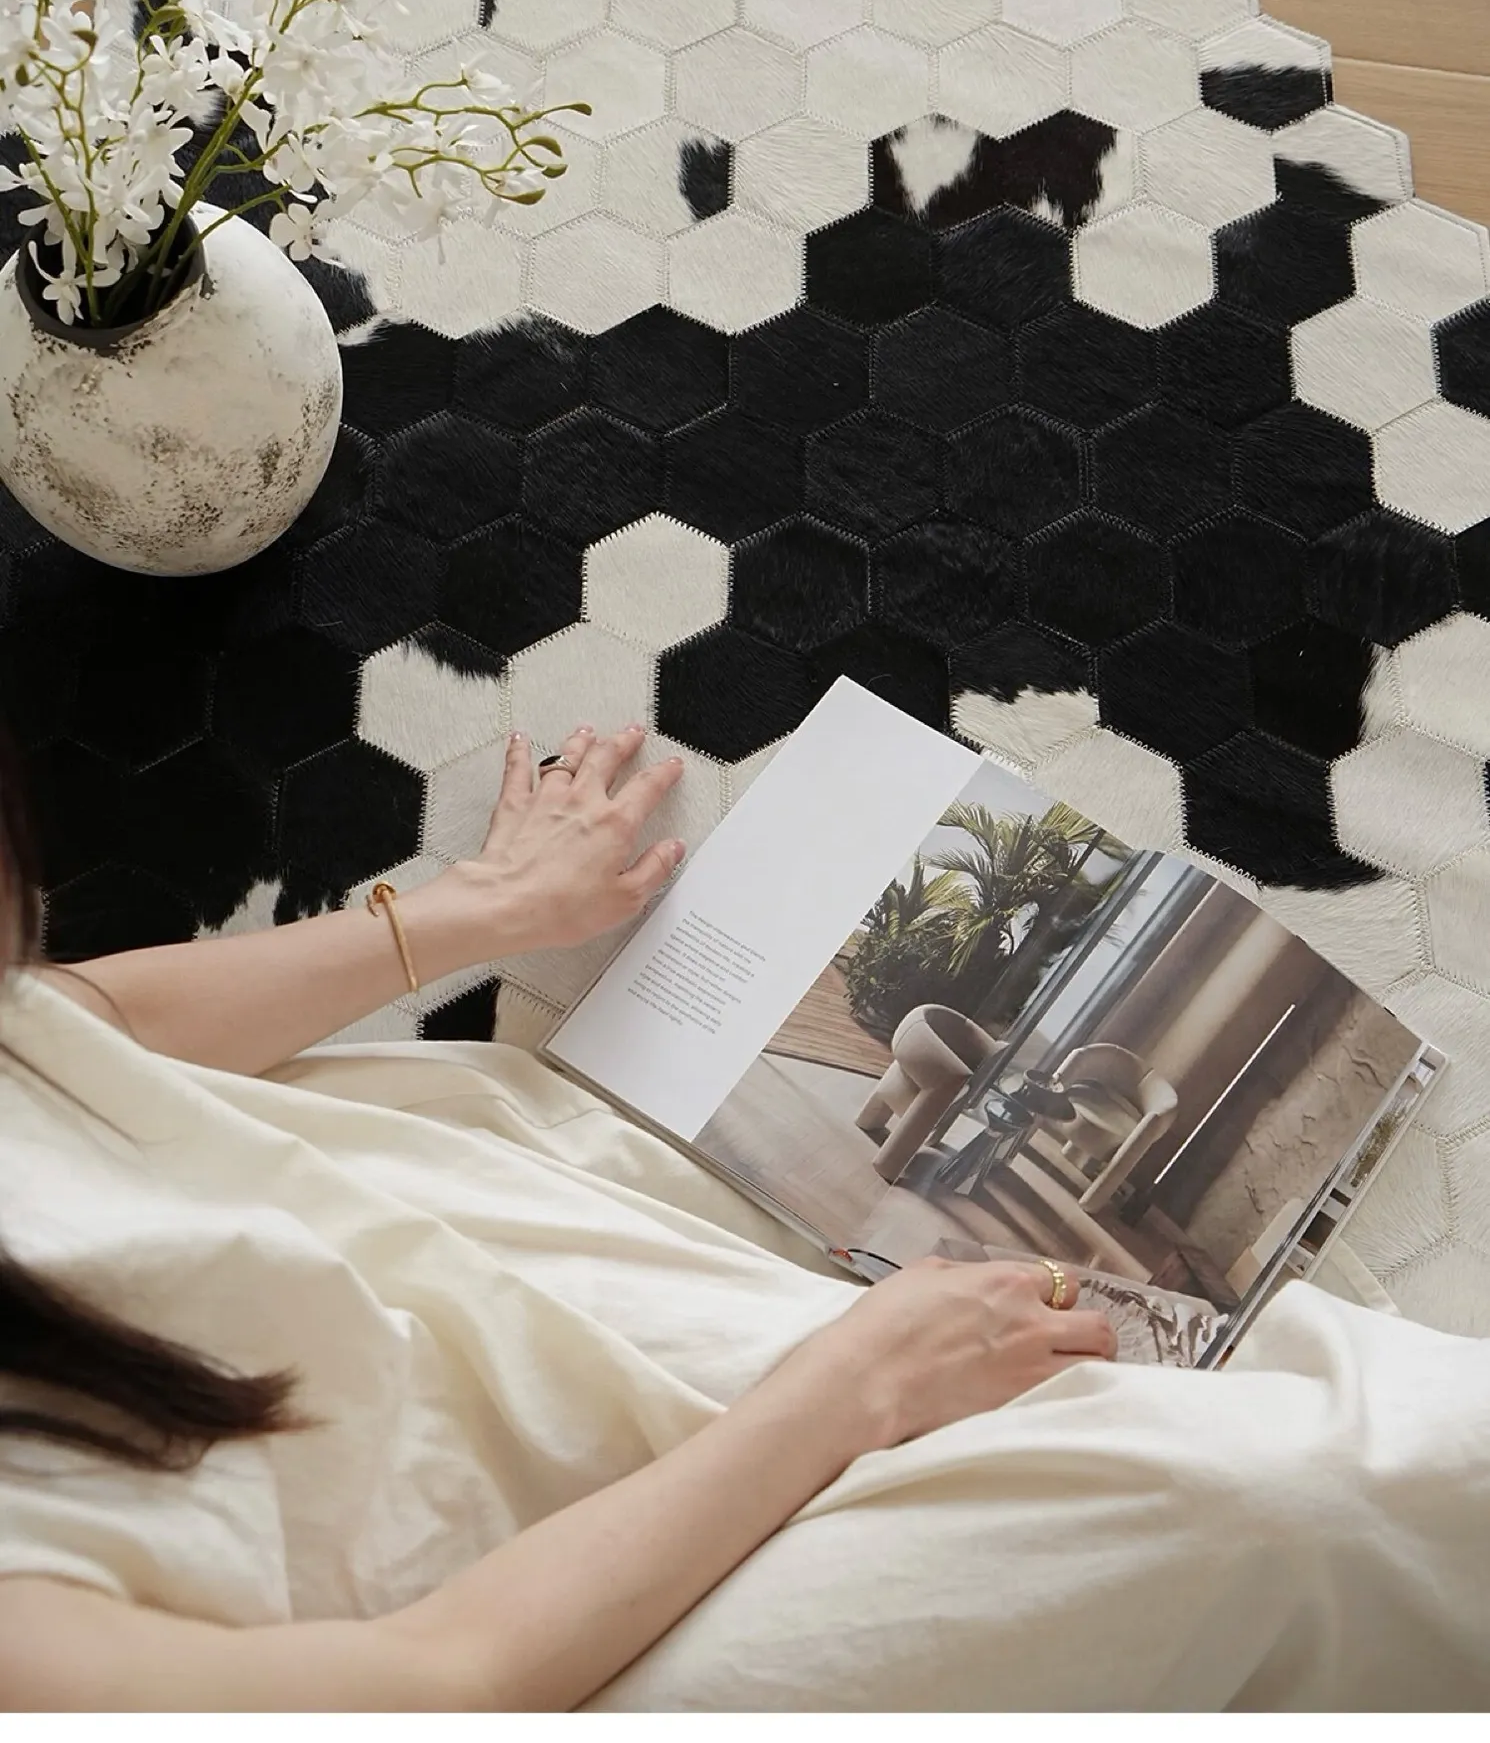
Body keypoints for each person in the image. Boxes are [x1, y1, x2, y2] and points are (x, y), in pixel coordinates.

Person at [0, 719, 1487, 1713]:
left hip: (455, 1266)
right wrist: (847, 1392)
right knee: (1274, 1505)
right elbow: (440, 1686)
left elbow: (68, 1029)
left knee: (1282, 1387)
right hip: (538, 1622)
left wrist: (474, 911)